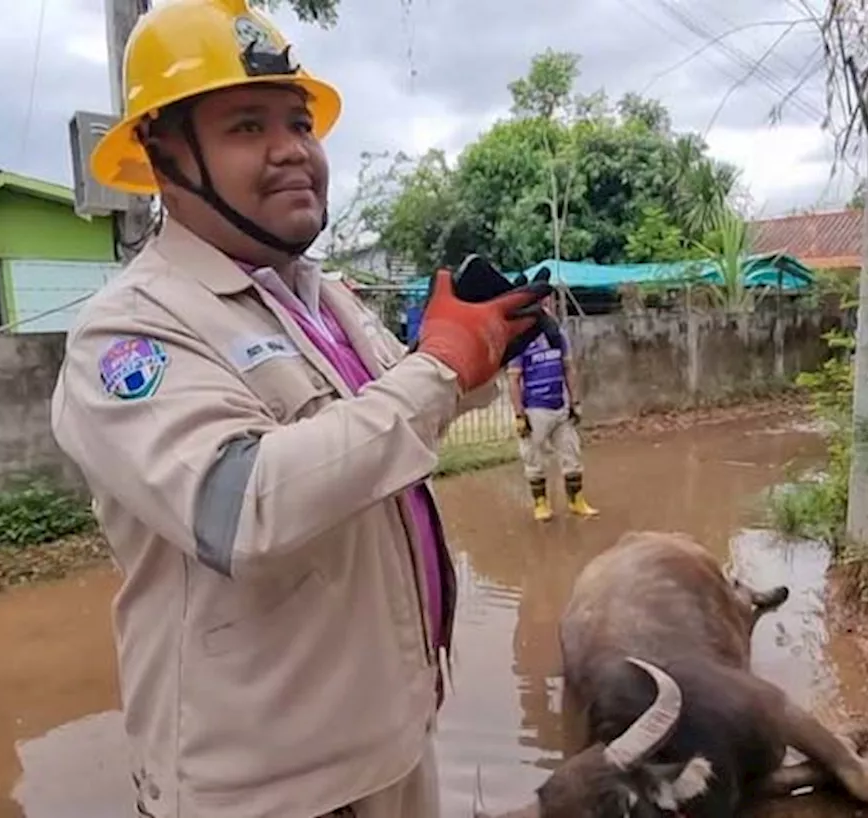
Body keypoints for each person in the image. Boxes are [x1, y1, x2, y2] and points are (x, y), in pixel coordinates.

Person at [48, 2, 552, 817]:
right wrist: (437, 368)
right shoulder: (130, 330)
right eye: (247, 127)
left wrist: (487, 347)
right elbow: (239, 503)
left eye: (299, 122)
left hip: (392, 739)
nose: (292, 152)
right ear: (164, 155)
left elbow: (400, 417)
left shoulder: (325, 299)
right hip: (271, 790)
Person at [507, 294, 599, 522]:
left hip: (560, 407)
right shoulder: (521, 341)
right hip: (535, 410)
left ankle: (576, 501)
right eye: (541, 305)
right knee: (533, 458)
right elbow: (513, 379)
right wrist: (519, 415)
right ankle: (541, 505)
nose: (545, 309)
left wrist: (575, 402)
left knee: (572, 454)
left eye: (548, 304)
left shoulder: (559, 336)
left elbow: (569, 368)